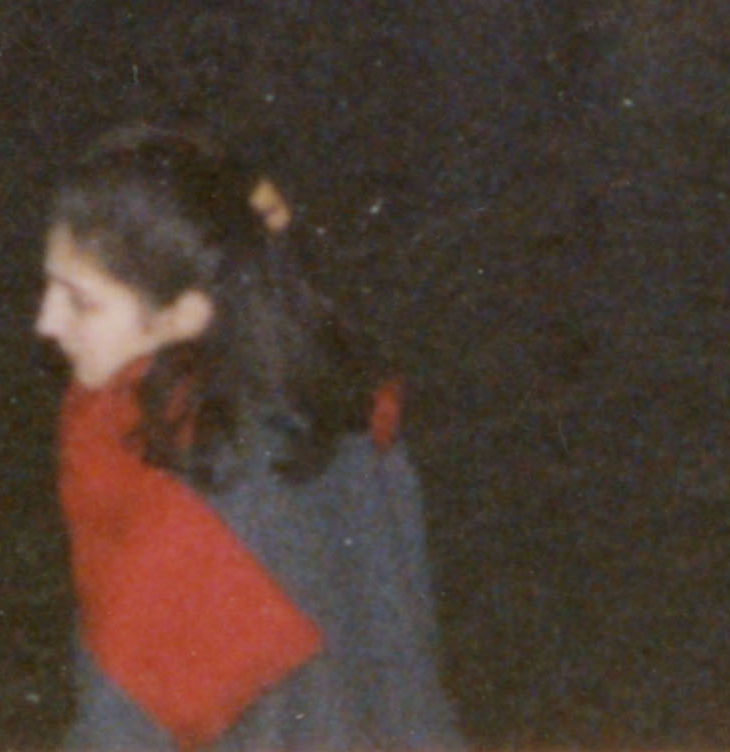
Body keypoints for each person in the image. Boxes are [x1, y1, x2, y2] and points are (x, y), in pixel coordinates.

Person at [36, 126, 459, 748]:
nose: (46, 321)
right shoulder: (339, 413)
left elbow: (125, 732)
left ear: (185, 315)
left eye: (80, 301)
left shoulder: (165, 490)